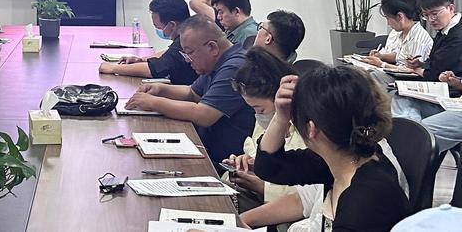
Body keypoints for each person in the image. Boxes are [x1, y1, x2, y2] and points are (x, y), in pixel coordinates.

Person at [255, 65, 408, 231]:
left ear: (311, 129)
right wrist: (281, 117)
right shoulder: (347, 158)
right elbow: (269, 168)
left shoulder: (365, 201)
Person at [124, 14, 254, 163]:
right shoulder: (217, 62)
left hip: (223, 160)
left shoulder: (235, 67)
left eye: (190, 52)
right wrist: (160, 89)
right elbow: (192, 93)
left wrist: (153, 102)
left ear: (212, 47)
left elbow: (203, 115)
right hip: (205, 146)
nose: (187, 60)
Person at [218, 47, 304, 216]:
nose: (258, 115)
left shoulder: (306, 133)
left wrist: (262, 186)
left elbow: (306, 195)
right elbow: (259, 151)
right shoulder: (266, 119)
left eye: (261, 109)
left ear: (283, 100)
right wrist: (247, 161)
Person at [98, 0, 197, 85]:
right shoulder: (191, 30)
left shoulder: (187, 39)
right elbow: (169, 53)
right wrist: (142, 59)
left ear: (172, 25)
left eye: (159, 27)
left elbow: (154, 70)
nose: (159, 30)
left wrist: (113, 68)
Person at [362, 0, 433, 70]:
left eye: (388, 18)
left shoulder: (418, 39)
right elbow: (399, 57)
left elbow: (411, 71)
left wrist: (382, 64)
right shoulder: (397, 32)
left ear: (400, 16)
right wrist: (381, 56)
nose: (388, 23)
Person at [401, 0, 462, 81]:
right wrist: (421, 64)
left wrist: (415, 70)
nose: (430, 19)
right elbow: (437, 63)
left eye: (434, 14)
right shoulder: (445, 29)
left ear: (451, 8)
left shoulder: (457, 35)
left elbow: (434, 74)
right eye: (425, 15)